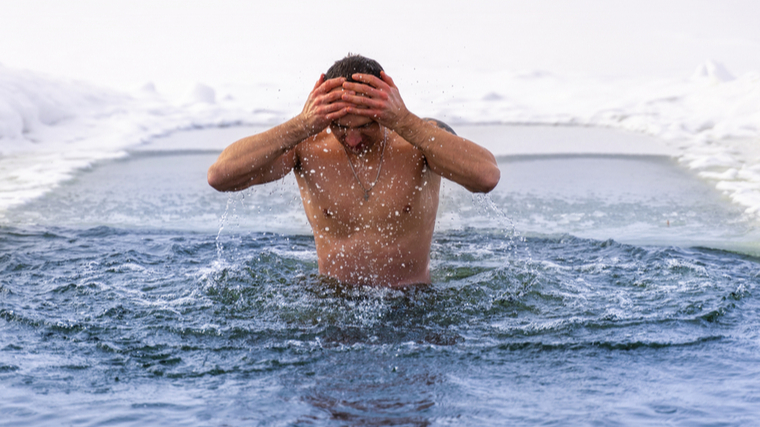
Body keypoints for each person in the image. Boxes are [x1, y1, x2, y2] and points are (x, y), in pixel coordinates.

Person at [208, 54, 500, 287]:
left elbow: (486, 177)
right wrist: (301, 125)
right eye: (340, 127)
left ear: (386, 109)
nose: (353, 139)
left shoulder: (420, 141)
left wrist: (405, 121)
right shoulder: (307, 147)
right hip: (332, 301)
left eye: (364, 126)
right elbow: (220, 176)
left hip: (411, 302)